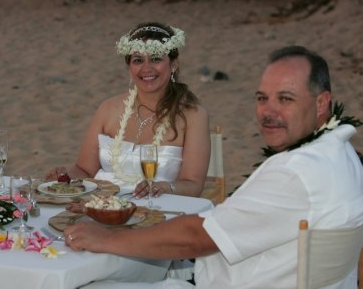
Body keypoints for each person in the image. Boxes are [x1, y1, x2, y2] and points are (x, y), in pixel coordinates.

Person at [63, 45, 363, 289]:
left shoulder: (296, 173)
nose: (269, 112)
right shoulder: (341, 153)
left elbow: (196, 238)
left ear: (322, 103)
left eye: (286, 99)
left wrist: (107, 238)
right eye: (262, 98)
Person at [46, 22, 210, 198]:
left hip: (160, 208)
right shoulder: (108, 108)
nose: (147, 68)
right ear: (130, 68)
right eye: (138, 60)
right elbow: (84, 170)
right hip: (102, 207)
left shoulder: (193, 116)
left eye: (156, 58)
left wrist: (164, 188)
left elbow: (193, 185)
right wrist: (64, 177)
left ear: (173, 64)